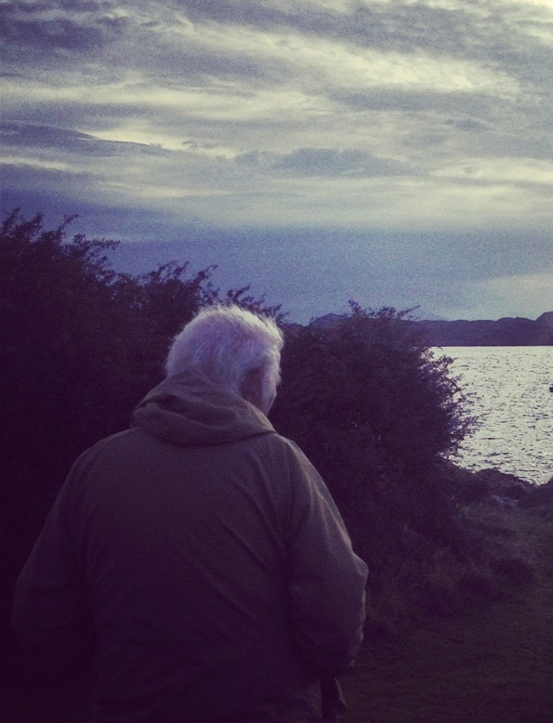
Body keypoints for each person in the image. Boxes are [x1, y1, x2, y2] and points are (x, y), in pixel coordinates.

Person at [12, 305, 368, 722]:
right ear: (254, 383)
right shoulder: (281, 464)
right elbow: (335, 612)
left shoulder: (95, 465)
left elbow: (42, 619)